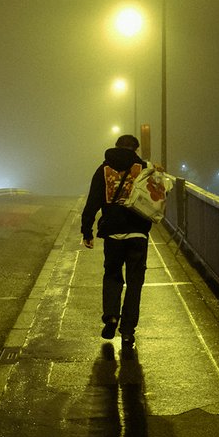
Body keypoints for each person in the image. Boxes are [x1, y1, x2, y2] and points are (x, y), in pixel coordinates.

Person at [81, 133, 151, 349]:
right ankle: (128, 331)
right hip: (138, 234)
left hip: (112, 234)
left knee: (112, 276)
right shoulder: (144, 169)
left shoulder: (103, 169)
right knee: (134, 283)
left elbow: (92, 201)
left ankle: (111, 317)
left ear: (117, 147)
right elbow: (157, 196)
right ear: (135, 149)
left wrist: (87, 231)